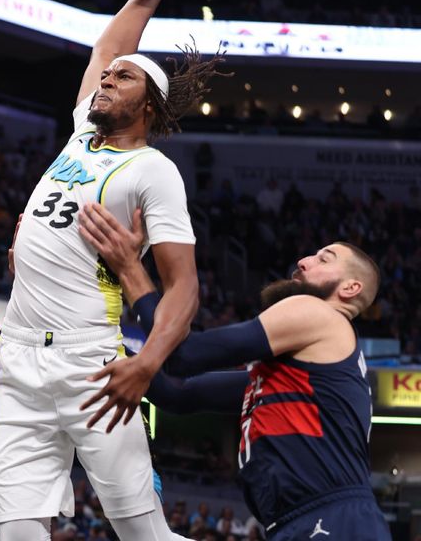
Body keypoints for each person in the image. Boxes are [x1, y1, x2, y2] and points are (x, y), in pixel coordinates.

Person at [0, 0, 226, 541]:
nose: (105, 79)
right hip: (16, 361)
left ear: (148, 106)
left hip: (91, 363)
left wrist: (146, 365)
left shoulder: (154, 171)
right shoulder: (80, 135)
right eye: (106, 76)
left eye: (122, 79)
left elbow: (185, 287)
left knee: (143, 534)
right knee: (18, 534)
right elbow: (106, 46)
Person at [77, 202, 391, 541]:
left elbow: (183, 356)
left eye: (323, 259)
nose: (304, 261)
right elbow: (178, 393)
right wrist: (100, 347)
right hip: (302, 520)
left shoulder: (319, 313)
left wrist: (130, 269)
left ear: (350, 289)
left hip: (333, 518)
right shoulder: (289, 378)